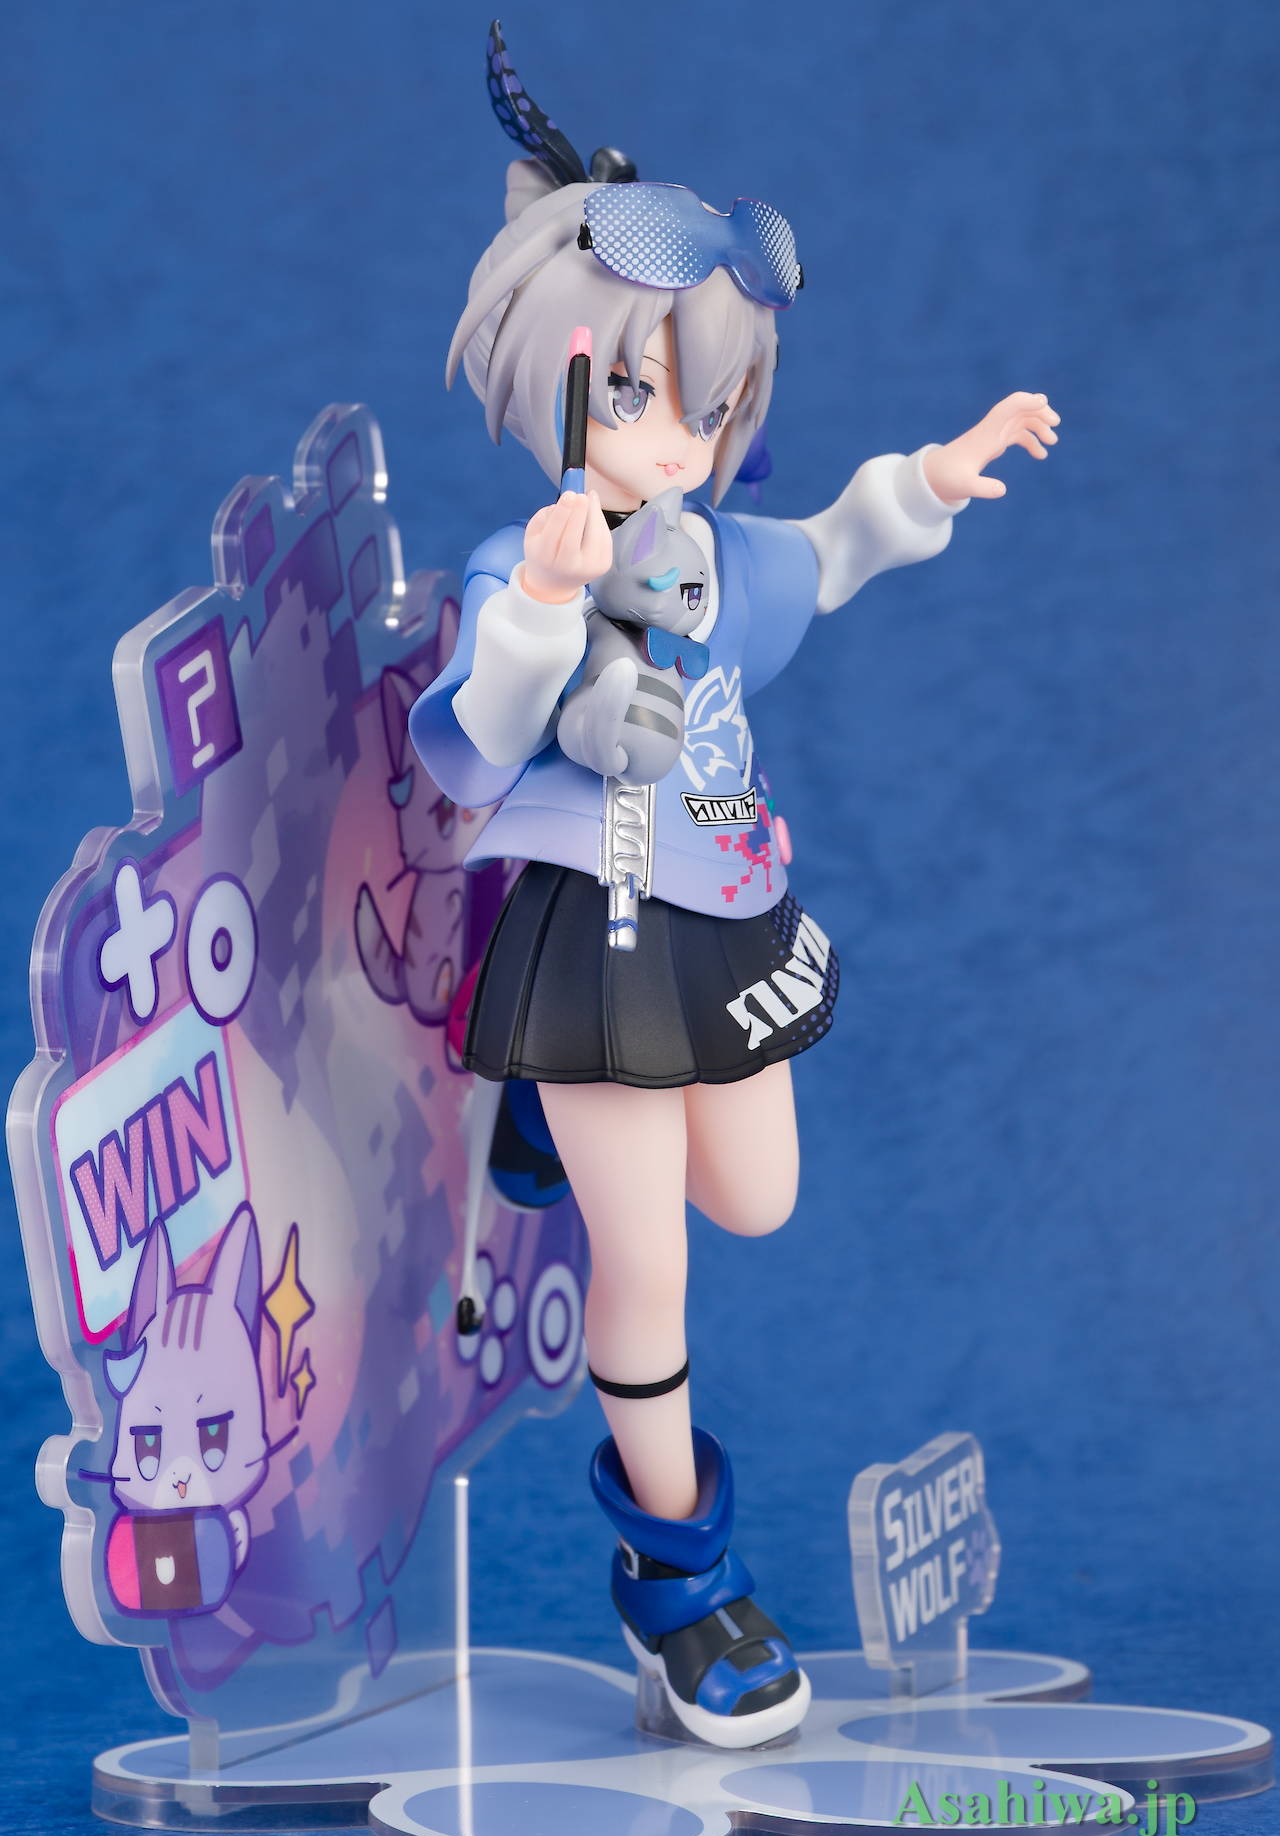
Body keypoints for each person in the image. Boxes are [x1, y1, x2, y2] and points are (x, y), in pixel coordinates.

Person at [409, 24, 1057, 1749]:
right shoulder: (523, 563)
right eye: (635, 395)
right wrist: (545, 609)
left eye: (706, 399)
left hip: (720, 923)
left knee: (758, 1198)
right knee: (651, 1275)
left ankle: (531, 1122)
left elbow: (823, 554)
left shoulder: (705, 552)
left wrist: (934, 477)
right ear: (557, 384)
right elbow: (468, 748)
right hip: (594, 939)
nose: (676, 434)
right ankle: (683, 1583)